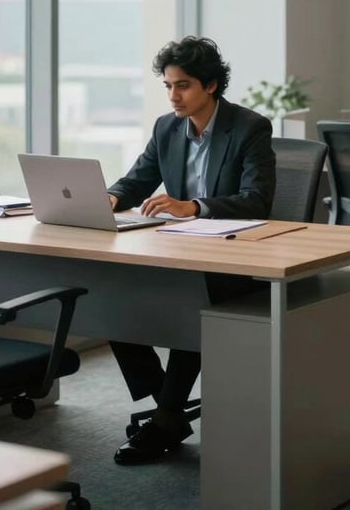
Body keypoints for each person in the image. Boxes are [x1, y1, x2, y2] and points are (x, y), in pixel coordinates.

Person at [106, 36, 275, 465]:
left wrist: (194, 207)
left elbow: (256, 200)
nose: (173, 96)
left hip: (233, 258)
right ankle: (168, 406)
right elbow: (136, 181)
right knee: (109, 297)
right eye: (168, 86)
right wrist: (110, 197)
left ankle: (165, 418)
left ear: (211, 85)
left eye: (182, 86)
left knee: (193, 302)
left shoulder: (249, 128)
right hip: (179, 251)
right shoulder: (166, 128)